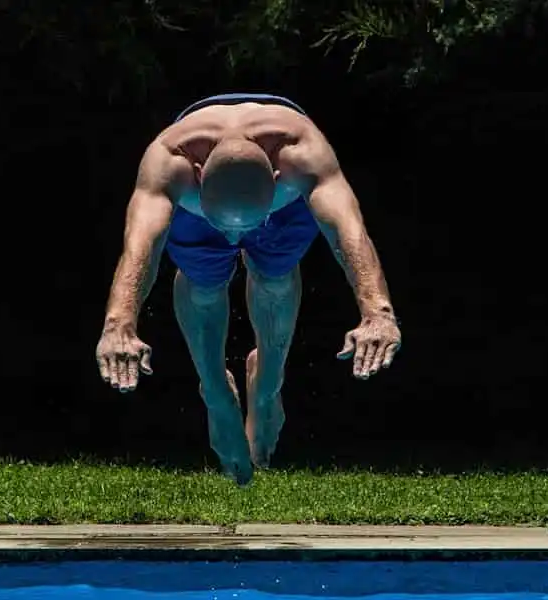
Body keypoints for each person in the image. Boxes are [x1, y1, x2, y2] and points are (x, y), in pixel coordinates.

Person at [95, 93, 402, 485]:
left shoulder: (304, 154)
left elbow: (349, 233)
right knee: (204, 284)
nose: (233, 237)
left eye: (244, 226)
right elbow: (140, 251)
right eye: (225, 226)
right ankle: (216, 393)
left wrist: (378, 312)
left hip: (276, 207)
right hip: (201, 206)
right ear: (199, 174)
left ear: (277, 179)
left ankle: (268, 383)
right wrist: (119, 323)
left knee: (274, 276)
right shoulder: (169, 161)